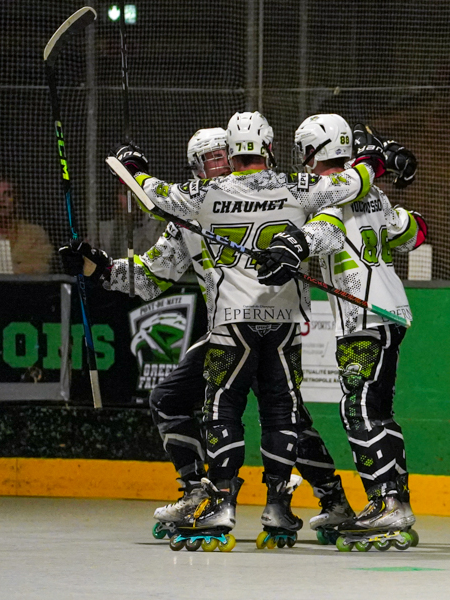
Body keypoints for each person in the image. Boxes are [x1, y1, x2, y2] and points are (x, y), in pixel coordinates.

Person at [61, 127, 354, 544]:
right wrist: (100, 268)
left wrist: (136, 176)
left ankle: (322, 498)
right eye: (207, 159)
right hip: (239, 327)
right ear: (196, 167)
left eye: (221, 154)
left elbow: (156, 198)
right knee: (179, 400)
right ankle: (200, 492)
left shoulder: (206, 201)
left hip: (244, 326)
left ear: (233, 154)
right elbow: (148, 277)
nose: (217, 164)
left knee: (280, 414)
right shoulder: (191, 214)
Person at [275, 114, 424, 550]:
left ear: (312, 151)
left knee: (359, 409)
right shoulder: (372, 192)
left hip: (364, 317)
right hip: (388, 312)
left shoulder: (330, 194)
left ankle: (387, 502)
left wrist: (293, 247)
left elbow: (326, 230)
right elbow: (412, 234)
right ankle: (393, 500)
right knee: (374, 409)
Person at [0, 178, 52, 274]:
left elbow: (41, 266)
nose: (1, 200)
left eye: (7, 194)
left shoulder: (33, 235)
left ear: (15, 202)